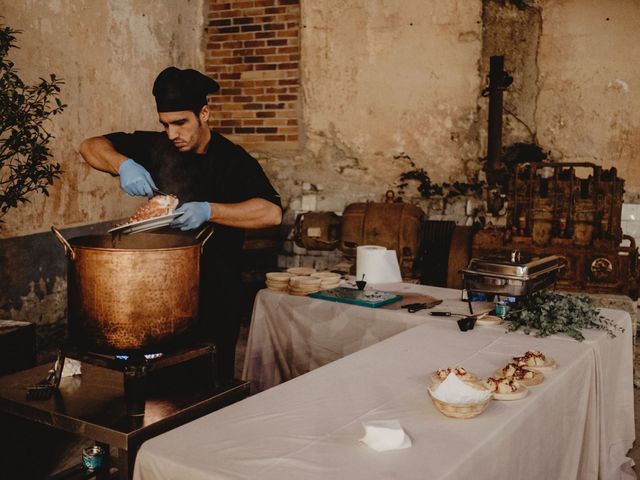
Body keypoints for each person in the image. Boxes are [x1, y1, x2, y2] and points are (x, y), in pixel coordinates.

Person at [79, 66, 282, 383]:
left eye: (181, 123)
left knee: (208, 385)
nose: (173, 133)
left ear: (204, 113)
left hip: (214, 294)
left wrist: (209, 210)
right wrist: (123, 164)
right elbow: (90, 146)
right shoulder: (156, 147)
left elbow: (270, 213)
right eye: (166, 124)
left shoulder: (233, 160)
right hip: (158, 294)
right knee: (160, 384)